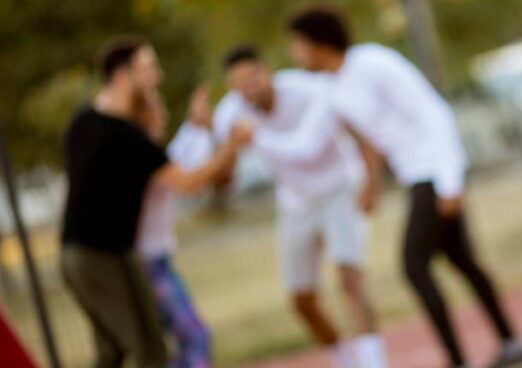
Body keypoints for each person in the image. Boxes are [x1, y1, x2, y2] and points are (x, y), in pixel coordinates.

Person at [267, 6, 522, 368]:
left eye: (297, 45)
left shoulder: (373, 62)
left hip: (434, 172)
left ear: (317, 44)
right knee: (461, 259)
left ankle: (458, 359)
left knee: (414, 264)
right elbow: (314, 143)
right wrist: (368, 183)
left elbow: (432, 112)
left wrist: (450, 181)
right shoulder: (329, 89)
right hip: (414, 176)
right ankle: (511, 342)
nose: (294, 53)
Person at [60, 36, 250, 368]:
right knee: (150, 349)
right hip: (97, 254)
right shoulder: (115, 134)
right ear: (122, 75)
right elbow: (189, 182)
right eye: (148, 68)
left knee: (112, 352)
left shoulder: (98, 127)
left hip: (105, 252)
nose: (156, 77)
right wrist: (231, 144)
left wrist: (202, 132)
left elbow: (179, 163)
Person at [213, 46, 389, 368]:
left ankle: (374, 363)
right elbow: (222, 175)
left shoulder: (308, 90)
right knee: (302, 300)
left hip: (339, 187)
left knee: (350, 278)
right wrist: (221, 144)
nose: (248, 86)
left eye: (252, 77)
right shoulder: (229, 113)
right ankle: (344, 360)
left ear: (267, 72)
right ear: (231, 86)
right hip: (295, 202)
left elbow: (307, 147)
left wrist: (372, 181)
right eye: (239, 82)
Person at [134, 87, 217, 368]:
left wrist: (196, 126)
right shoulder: (138, 154)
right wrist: (227, 144)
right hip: (147, 264)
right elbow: (190, 179)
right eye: (156, 111)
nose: (163, 116)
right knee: (194, 337)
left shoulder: (148, 153)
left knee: (184, 341)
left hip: (157, 261)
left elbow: (176, 156)